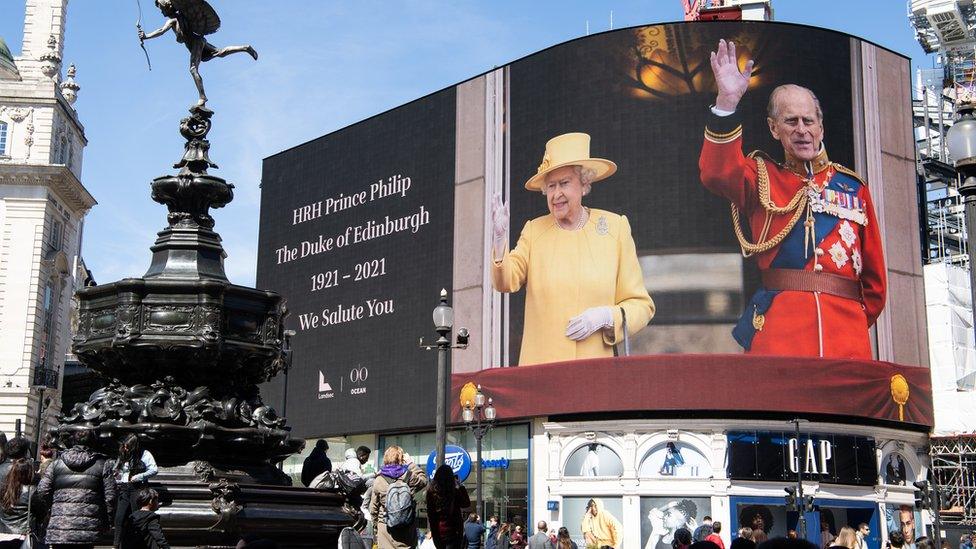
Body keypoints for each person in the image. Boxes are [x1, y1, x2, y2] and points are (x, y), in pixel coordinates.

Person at [699, 39, 886, 358]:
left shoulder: (854, 189)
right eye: (791, 121)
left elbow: (875, 284)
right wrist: (726, 104)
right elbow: (717, 172)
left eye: (808, 121)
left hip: (847, 339)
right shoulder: (761, 177)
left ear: (821, 127)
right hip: (781, 337)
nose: (802, 130)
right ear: (774, 129)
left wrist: (850, 322)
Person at [490, 132, 655, 365]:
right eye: (550, 186)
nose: (556, 194)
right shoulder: (534, 231)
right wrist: (499, 241)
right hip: (542, 373)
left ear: (584, 184)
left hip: (596, 373)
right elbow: (506, 280)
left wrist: (606, 317)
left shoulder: (615, 228)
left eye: (564, 183)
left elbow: (641, 306)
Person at [37, 429, 117, 549]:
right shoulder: (102, 464)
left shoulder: (56, 464)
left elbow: (42, 490)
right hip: (88, 528)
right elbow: (111, 496)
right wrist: (107, 520)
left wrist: (53, 509)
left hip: (61, 526)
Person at [369, 446, 428, 549]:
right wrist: (411, 464)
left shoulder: (379, 479)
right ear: (401, 459)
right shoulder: (409, 476)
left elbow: (373, 509)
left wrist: (376, 528)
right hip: (407, 528)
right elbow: (423, 480)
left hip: (386, 529)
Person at [115, 434, 159, 548]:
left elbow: (154, 469)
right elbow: (119, 468)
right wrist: (116, 473)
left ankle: (138, 544)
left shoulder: (144, 454)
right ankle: (116, 545)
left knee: (137, 517)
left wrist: (140, 476)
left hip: (137, 488)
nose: (125, 449)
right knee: (119, 518)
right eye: (124, 446)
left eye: (128, 447)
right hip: (124, 488)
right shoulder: (123, 453)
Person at [0, 454, 41, 549]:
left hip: (3, 534)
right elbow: (41, 513)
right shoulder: (32, 491)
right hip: (22, 535)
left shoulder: (5, 489)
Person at [426, 464, 471, 549]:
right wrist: (461, 486)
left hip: (438, 532)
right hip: (454, 532)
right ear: (451, 478)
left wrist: (433, 531)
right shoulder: (454, 492)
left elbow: (430, 514)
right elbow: (466, 503)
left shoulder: (431, 493)